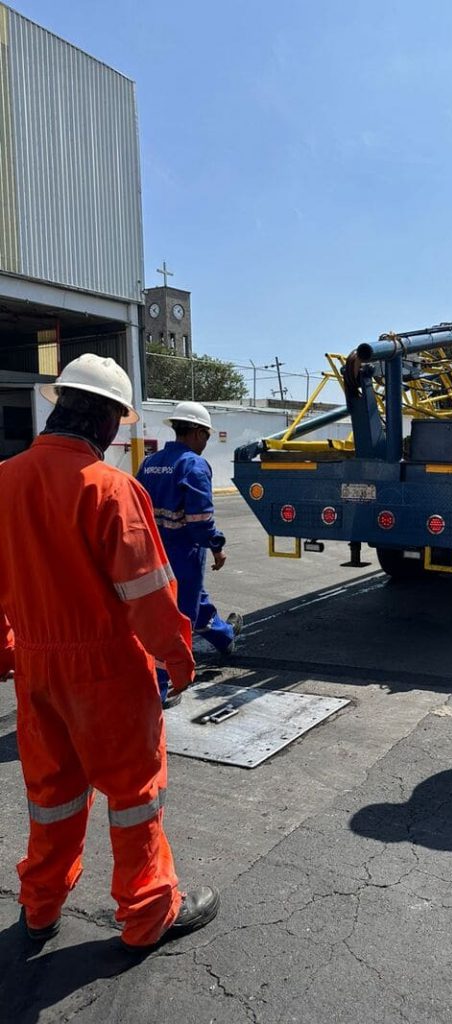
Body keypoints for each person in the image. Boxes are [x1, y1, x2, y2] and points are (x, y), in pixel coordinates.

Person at [0, 354, 219, 948]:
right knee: (134, 794)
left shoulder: (5, 479)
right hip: (106, 670)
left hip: (36, 666)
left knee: (52, 795)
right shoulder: (111, 488)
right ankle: (147, 913)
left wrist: (6, 650)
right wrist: (178, 659)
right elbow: (147, 593)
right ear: (105, 419)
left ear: (60, 407)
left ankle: (40, 905)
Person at [137, 402, 243, 707]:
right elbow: (200, 520)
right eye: (207, 436)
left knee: (192, 601)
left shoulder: (150, 463)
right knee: (178, 617)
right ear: (197, 432)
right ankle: (163, 686)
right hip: (183, 552)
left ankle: (224, 636)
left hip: (152, 551)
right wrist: (217, 547)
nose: (206, 442)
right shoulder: (194, 465)